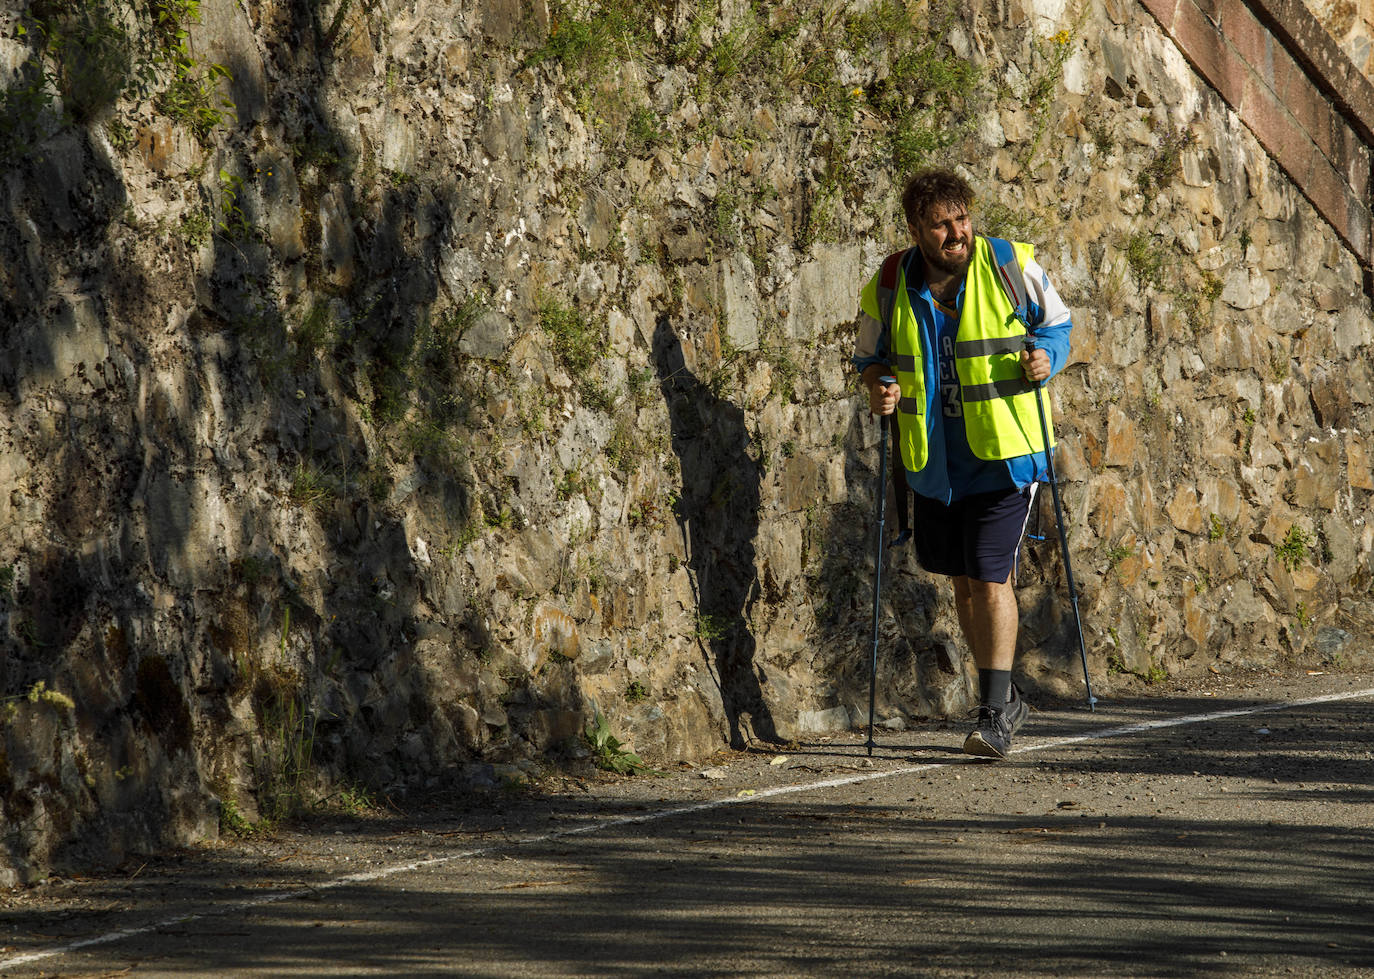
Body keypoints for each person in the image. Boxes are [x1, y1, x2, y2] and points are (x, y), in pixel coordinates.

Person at [852, 169, 1073, 759]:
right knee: (963, 584)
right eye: (941, 224)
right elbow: (869, 358)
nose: (956, 233)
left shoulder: (1008, 265)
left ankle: (994, 711)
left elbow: (1059, 326)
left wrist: (1045, 358)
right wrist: (880, 387)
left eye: (962, 218)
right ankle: (1000, 699)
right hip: (936, 462)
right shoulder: (892, 281)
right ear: (915, 230)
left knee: (989, 575)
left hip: (1006, 453)